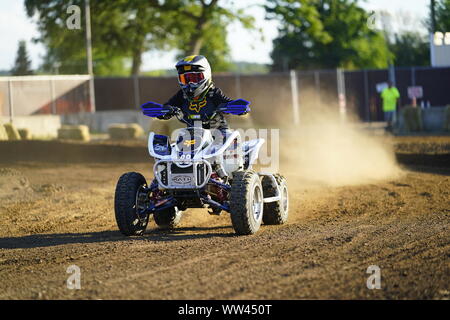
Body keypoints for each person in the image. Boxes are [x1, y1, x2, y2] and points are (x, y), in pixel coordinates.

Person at [159, 55, 248, 130]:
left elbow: (228, 102)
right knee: (173, 147)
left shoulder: (213, 93)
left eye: (195, 78)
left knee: (231, 145)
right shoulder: (181, 96)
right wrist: (163, 112)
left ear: (206, 75)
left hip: (218, 134)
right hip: (192, 137)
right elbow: (167, 106)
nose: (190, 83)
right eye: (185, 79)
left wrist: (235, 107)